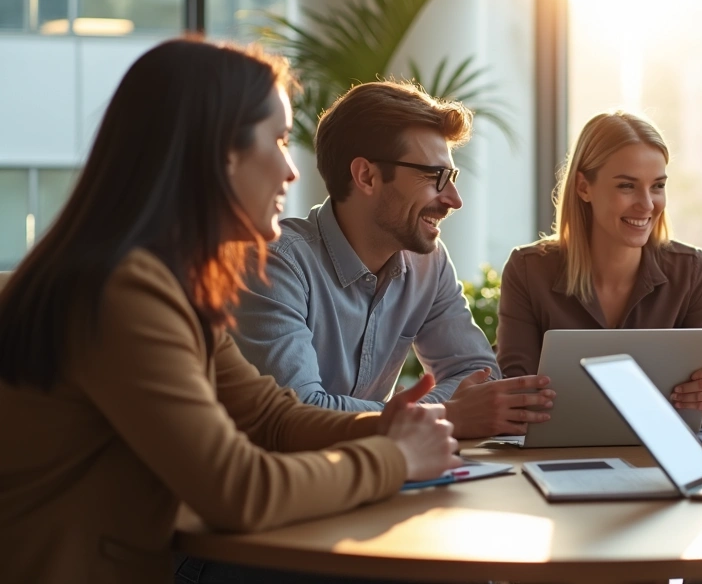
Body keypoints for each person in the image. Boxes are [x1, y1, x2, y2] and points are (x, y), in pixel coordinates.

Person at [0, 39, 460, 584]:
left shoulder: (169, 284)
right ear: (221, 153)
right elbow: (237, 490)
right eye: (280, 140)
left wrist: (388, 425)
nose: (292, 171)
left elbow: (270, 416)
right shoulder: (120, 291)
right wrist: (396, 458)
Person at [227, 80, 554, 438]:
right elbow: (298, 411)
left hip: (381, 472)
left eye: (452, 177)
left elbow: (478, 376)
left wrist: (435, 413)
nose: (454, 199)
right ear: (366, 176)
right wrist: (448, 415)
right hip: (286, 484)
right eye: (435, 177)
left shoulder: (427, 263)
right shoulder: (275, 265)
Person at [496, 111, 702, 423]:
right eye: (627, 186)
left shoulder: (691, 270)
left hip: (662, 457)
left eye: (657, 186)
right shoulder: (529, 271)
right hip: (557, 458)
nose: (647, 204)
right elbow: (514, 392)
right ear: (583, 187)